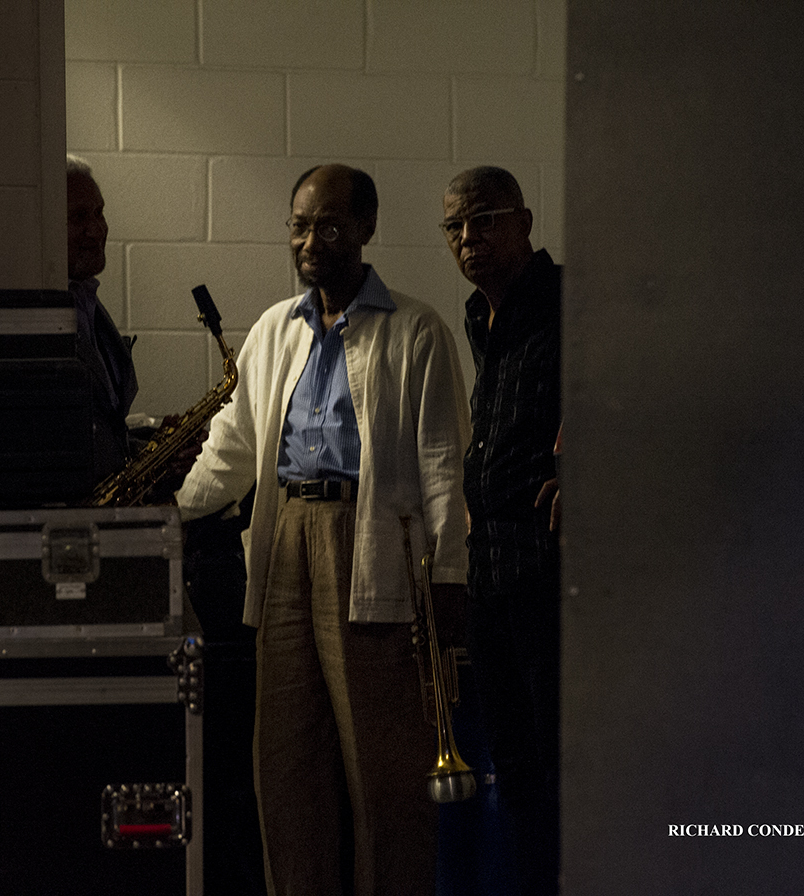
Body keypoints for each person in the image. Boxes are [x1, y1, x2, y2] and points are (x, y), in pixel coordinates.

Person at [176, 164, 471, 896]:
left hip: (368, 544)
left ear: (366, 230)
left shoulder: (417, 329)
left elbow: (441, 464)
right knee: (285, 759)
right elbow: (233, 450)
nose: (312, 239)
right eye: (301, 224)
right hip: (282, 542)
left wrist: (450, 578)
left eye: (331, 224)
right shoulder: (275, 329)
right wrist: (163, 518)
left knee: (385, 769)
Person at [441, 166, 563, 895]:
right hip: (489, 570)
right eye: (455, 227)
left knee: (556, 765)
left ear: (522, 221)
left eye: (484, 220)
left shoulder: (568, 299)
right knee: (512, 768)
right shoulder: (478, 316)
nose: (468, 238)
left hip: (547, 570)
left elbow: (637, 389)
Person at [67, 154, 138, 480]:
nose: (96, 230)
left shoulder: (89, 303)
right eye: (79, 217)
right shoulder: (38, 315)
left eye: (99, 213)